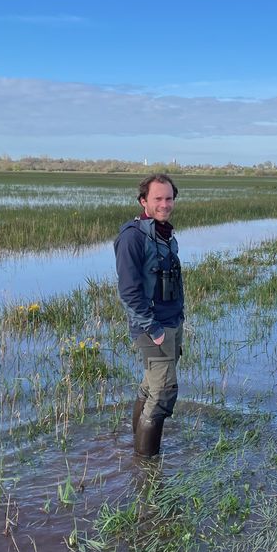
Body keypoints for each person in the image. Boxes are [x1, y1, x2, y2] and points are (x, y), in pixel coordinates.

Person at [114, 173, 184, 457]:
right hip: (153, 328)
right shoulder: (132, 237)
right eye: (158, 198)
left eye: (168, 198)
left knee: (150, 386)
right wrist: (154, 329)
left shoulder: (165, 233)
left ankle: (136, 444)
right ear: (144, 201)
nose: (164, 204)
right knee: (164, 392)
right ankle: (146, 464)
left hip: (172, 322)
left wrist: (180, 319)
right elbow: (129, 292)